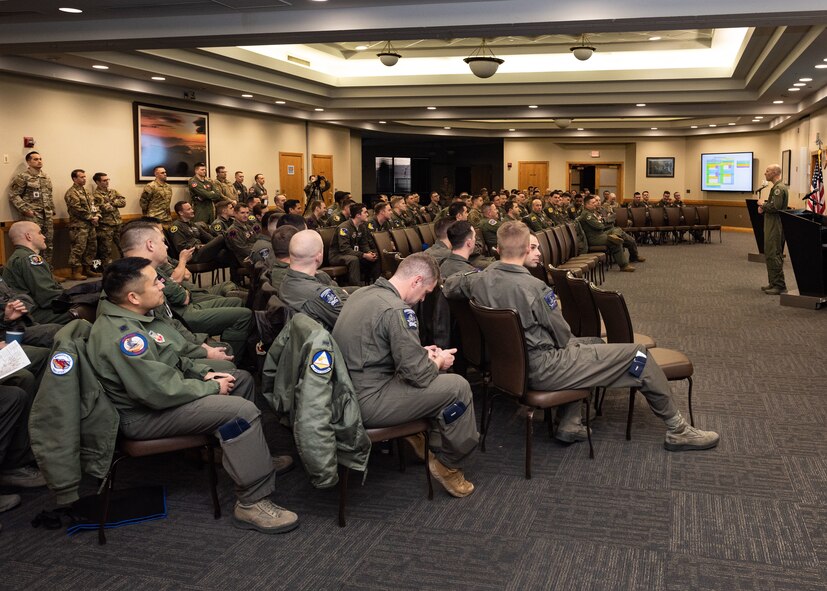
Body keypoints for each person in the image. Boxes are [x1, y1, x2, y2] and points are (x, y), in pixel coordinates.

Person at [443, 221, 720, 451]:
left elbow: (450, 284)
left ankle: (570, 423)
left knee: (593, 343)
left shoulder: (478, 279)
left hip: (510, 367)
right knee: (639, 355)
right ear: (527, 248)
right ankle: (678, 429)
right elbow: (563, 336)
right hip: (544, 367)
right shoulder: (535, 288)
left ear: (497, 249)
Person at [88, 257, 297, 534]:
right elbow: (157, 391)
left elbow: (171, 359)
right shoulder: (125, 336)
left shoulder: (137, 318)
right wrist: (210, 387)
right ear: (133, 296)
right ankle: (252, 502)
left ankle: (250, 458)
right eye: (155, 282)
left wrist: (204, 374)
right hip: (143, 417)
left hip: (158, 399)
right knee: (240, 412)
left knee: (240, 380)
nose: (163, 284)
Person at [332, 253, 478, 497]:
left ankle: (418, 436)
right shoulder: (398, 311)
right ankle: (449, 464)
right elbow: (419, 376)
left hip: (345, 393)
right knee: (457, 387)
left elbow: (371, 345)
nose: (423, 298)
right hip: (368, 401)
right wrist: (439, 361)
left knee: (433, 375)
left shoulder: (362, 294)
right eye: (426, 292)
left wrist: (419, 352)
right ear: (417, 281)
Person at [119, 222, 254, 364]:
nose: (166, 246)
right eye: (162, 241)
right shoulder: (134, 277)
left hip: (177, 327)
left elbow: (169, 318)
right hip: (174, 339)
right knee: (240, 322)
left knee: (236, 304)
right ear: (150, 245)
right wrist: (202, 350)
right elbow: (178, 302)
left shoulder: (147, 270)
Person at [2, 222, 73, 325]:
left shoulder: (19, 256)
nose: (44, 236)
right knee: (84, 309)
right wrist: (76, 297)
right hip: (32, 314)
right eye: (40, 233)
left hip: (25, 310)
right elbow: (48, 297)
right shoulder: (30, 259)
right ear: (29, 236)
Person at [279, 230, 349, 331]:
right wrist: (345, 296)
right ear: (319, 257)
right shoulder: (317, 294)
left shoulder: (286, 280)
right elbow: (349, 320)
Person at [8, 151, 57, 265]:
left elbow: (49, 195)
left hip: (47, 216)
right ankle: (34, 272)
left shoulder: (46, 177)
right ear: (28, 162)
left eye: (40, 159)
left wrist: (52, 209)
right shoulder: (22, 177)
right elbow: (13, 195)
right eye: (35, 159)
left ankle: (48, 272)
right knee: (32, 245)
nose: (39, 161)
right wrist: (25, 210)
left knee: (48, 244)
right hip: (32, 217)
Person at [579, 194, 635, 272]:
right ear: (587, 204)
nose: (595, 204)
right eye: (593, 203)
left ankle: (615, 235)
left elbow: (600, 224)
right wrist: (600, 221)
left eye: (595, 202)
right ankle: (624, 265)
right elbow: (600, 226)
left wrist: (600, 220)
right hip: (594, 238)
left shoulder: (590, 213)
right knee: (615, 242)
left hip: (599, 234)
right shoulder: (587, 215)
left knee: (617, 229)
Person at [329, 203, 379, 286]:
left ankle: (375, 284)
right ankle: (355, 287)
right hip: (337, 255)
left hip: (352, 253)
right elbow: (345, 249)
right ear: (358, 215)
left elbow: (364, 244)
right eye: (365, 212)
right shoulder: (344, 228)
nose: (367, 214)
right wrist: (364, 255)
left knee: (375, 255)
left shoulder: (362, 226)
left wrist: (369, 252)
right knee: (354, 259)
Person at [64, 169, 100, 280]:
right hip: (79, 226)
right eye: (81, 177)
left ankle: (87, 269)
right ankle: (75, 272)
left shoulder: (87, 192)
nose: (84, 179)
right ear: (74, 179)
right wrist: (91, 217)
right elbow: (77, 209)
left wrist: (97, 215)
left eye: (85, 177)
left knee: (91, 248)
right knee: (78, 249)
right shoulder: (71, 193)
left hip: (91, 225)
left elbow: (95, 205)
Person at [758, 164, 788, 295]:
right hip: (771, 223)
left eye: (767, 171)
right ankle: (773, 282)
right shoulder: (775, 187)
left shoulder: (779, 189)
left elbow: (776, 207)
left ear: (775, 173)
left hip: (776, 225)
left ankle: (779, 285)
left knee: (774, 254)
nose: (765, 173)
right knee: (769, 253)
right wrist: (764, 207)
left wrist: (762, 204)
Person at [92, 172, 126, 265]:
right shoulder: (95, 195)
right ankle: (106, 270)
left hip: (118, 224)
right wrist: (114, 203)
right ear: (97, 182)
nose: (107, 182)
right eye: (104, 180)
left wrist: (112, 203)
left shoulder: (113, 191)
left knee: (124, 247)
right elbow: (105, 208)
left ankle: (128, 266)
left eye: (108, 180)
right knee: (105, 251)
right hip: (105, 227)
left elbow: (123, 202)